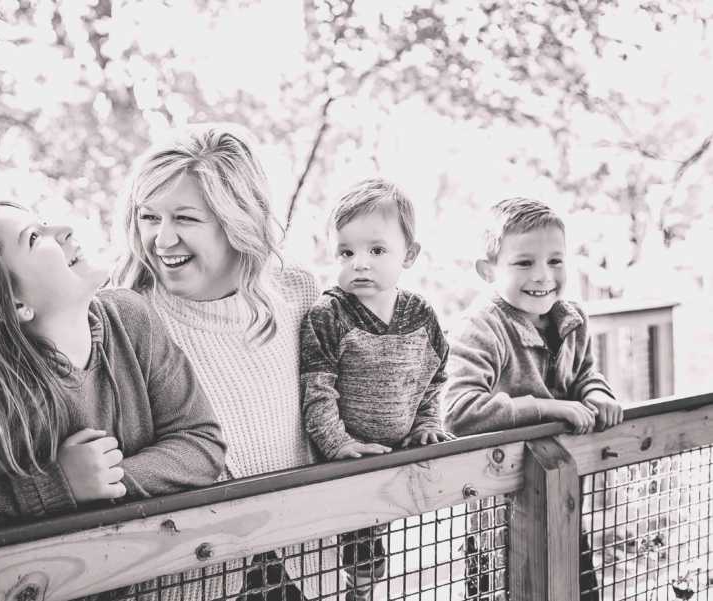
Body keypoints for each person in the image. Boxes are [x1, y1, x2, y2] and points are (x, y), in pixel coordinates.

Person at [0, 202, 225, 546]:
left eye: (44, 223)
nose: (64, 230)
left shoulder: (132, 319)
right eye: (34, 238)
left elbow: (201, 444)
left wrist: (102, 483)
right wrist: (56, 487)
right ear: (13, 305)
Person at [116, 123, 336, 601]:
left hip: (307, 566)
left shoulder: (297, 293)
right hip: (193, 579)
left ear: (237, 220)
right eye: (149, 217)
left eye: (186, 219)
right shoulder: (128, 318)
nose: (162, 239)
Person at [444, 196, 623, 600]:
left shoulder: (570, 318)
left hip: (560, 494)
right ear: (488, 270)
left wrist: (596, 391)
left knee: (573, 587)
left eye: (555, 261)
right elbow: (457, 410)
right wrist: (547, 408)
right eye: (524, 263)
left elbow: (583, 373)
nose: (543, 275)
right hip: (496, 506)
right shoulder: (482, 326)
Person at [300, 178, 455, 601]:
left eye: (377, 250)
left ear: (410, 254)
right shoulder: (329, 314)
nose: (360, 264)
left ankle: (363, 589)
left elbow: (434, 374)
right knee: (351, 548)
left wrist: (426, 422)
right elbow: (318, 387)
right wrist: (337, 444)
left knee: (385, 545)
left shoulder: (420, 314)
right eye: (346, 252)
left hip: (400, 453)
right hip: (345, 459)